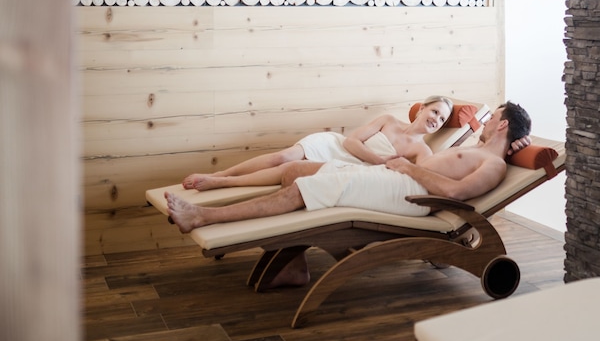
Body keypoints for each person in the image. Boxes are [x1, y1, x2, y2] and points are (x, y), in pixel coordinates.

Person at [165, 101, 532, 235]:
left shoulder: (493, 166)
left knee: (299, 191)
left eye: (493, 119)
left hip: (408, 194)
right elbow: (478, 134)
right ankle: (292, 263)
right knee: (294, 172)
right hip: (392, 178)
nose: (486, 123)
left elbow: (454, 192)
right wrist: (516, 144)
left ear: (502, 124)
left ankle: (202, 217)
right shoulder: (480, 149)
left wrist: (409, 170)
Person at [181, 95, 456, 191]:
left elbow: (421, 175)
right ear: (421, 108)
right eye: (434, 112)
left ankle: (223, 183)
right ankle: (221, 173)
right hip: (335, 145)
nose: (436, 120)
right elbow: (350, 141)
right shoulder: (388, 120)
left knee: (285, 171)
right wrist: (380, 160)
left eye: (442, 119)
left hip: (351, 168)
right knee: (283, 156)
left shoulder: (422, 150)